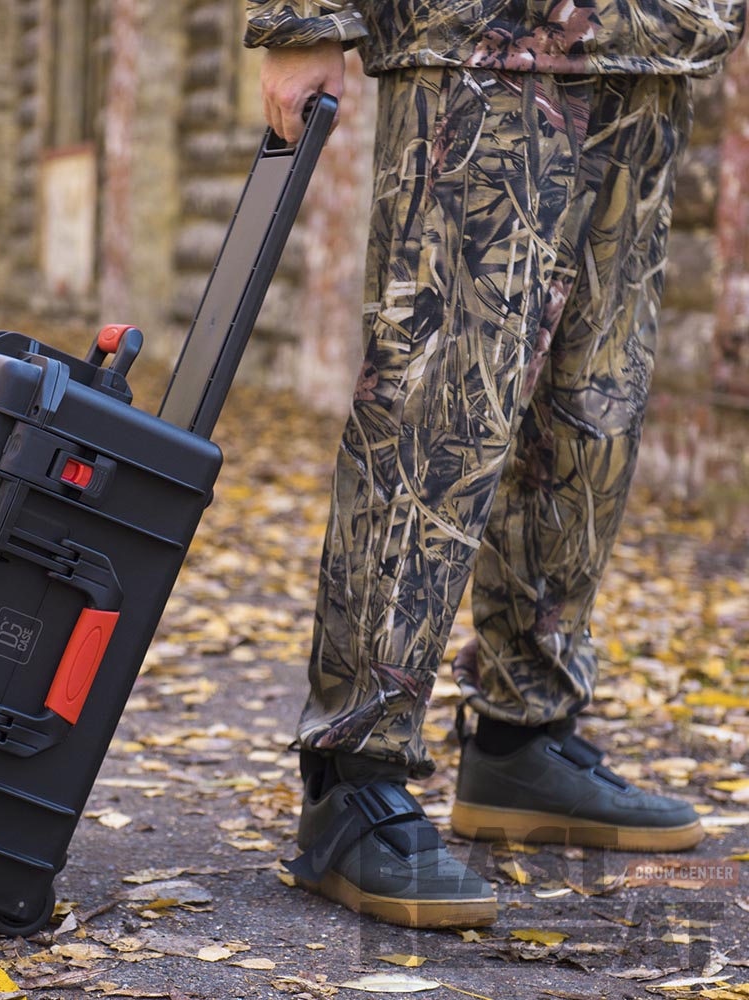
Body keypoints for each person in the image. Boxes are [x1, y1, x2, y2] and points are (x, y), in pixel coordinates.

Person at [245, 0, 746, 929]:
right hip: (480, 47)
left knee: (592, 415)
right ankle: (351, 774)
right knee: (441, 408)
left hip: (654, 48)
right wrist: (301, 24)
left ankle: (523, 738)